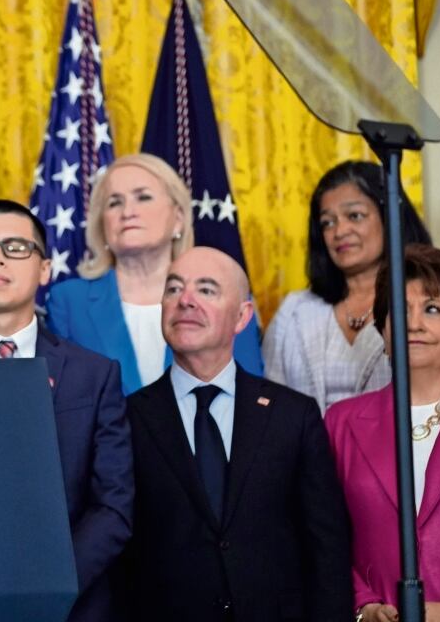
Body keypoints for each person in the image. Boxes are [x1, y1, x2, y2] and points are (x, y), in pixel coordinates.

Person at [125, 247, 353, 621]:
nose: (185, 301)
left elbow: (326, 549)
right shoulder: (128, 417)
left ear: (242, 316)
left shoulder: (293, 416)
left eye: (207, 289)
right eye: (174, 289)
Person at [0, 200, 131, 622]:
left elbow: (114, 505)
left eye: (16, 247)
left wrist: (50, 581)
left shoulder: (94, 375)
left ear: (45, 269)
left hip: (70, 603)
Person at [44, 153, 263, 393]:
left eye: (143, 197)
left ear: (178, 219)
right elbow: (63, 401)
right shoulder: (68, 301)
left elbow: (247, 394)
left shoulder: (225, 297)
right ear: (101, 224)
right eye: (114, 202)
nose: (128, 212)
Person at [325, 244, 440, 620]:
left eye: (432, 309)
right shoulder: (340, 423)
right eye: (400, 310)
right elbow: (324, 537)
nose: (413, 323)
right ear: (383, 328)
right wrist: (362, 605)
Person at [265, 160, 432, 413]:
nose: (340, 231)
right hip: (307, 452)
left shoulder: (428, 302)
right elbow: (271, 406)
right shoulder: (294, 311)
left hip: (399, 450)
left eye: (354, 216)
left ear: (391, 219)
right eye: (327, 223)